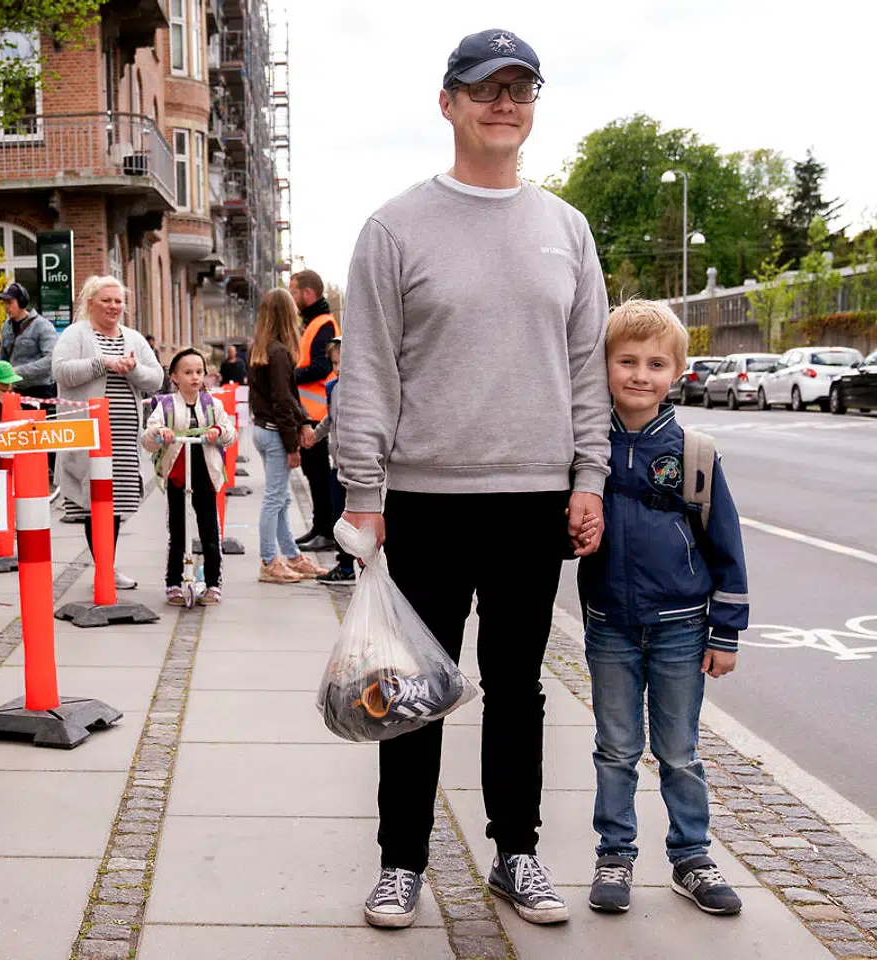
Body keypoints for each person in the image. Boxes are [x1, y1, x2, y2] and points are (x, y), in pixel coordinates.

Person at [336, 28, 610, 929]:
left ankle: (517, 853)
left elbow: (584, 368)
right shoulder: (394, 228)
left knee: (520, 687)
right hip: (425, 500)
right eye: (486, 87)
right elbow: (369, 369)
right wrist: (364, 497)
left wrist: (589, 476)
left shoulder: (565, 229)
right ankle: (399, 863)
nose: (505, 102)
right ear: (448, 101)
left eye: (521, 88)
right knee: (410, 689)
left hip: (533, 495)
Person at [579, 300, 749, 917]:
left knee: (679, 750)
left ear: (676, 371)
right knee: (616, 748)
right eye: (626, 361)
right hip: (610, 627)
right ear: (603, 367)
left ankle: (692, 857)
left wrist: (725, 632)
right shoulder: (586, 451)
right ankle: (615, 854)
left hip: (681, 627)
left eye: (655, 363)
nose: (639, 375)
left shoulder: (693, 452)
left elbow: (726, 548)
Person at [53, 276, 164, 588]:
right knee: (94, 502)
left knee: (116, 502)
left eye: (118, 301)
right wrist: (104, 362)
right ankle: (106, 567)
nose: (114, 306)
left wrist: (132, 369)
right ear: (91, 304)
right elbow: (61, 371)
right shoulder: (76, 334)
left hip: (124, 436)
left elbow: (155, 378)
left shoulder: (133, 338)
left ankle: (108, 565)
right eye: (107, 300)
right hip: (88, 434)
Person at [141, 348, 237, 606]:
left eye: (199, 372)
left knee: (209, 530)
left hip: (206, 475)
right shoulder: (165, 405)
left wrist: (218, 431)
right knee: (177, 530)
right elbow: (148, 437)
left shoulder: (212, 404)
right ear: (174, 377)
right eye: (187, 372)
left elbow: (230, 432)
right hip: (177, 476)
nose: (194, 377)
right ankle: (173, 582)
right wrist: (161, 433)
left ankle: (213, 583)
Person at [248, 287, 328, 584]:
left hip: (263, 430)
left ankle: (291, 556)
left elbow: (281, 399)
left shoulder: (260, 348)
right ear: (287, 315)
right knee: (274, 500)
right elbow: (283, 401)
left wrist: (303, 420)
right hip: (275, 433)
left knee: (280, 499)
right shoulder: (279, 352)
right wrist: (293, 444)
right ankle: (270, 561)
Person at [289, 270, 340, 553]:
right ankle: (319, 527)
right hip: (309, 412)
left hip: (318, 414)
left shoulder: (323, 324)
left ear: (308, 294)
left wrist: (290, 375)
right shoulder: (313, 323)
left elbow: (321, 368)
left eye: (294, 292)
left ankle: (327, 532)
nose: (293, 297)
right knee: (313, 475)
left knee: (320, 477)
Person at [311, 339, 355, 583]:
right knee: (338, 516)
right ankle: (345, 564)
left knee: (354, 517)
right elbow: (331, 420)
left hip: (355, 466)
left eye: (341, 362)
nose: (337, 368)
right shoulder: (334, 388)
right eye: (334, 363)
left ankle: (353, 564)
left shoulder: (360, 389)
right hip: (337, 465)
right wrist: (314, 436)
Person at [0, 282, 58, 400]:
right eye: (4, 303)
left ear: (22, 302)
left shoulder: (43, 326)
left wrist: (16, 371)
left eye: (10, 302)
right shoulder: (6, 327)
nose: (6, 307)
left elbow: (51, 360)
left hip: (40, 391)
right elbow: (3, 357)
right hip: (15, 390)